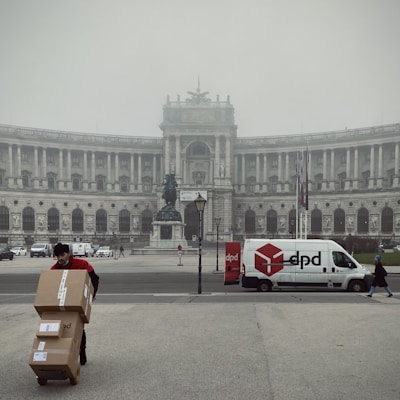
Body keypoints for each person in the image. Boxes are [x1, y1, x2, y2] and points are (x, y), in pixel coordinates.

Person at [51, 243, 100, 365]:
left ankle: (82, 352)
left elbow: (95, 278)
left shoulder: (81, 264)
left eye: (62, 255)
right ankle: (63, 354)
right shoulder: (54, 269)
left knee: (79, 328)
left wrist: (91, 295)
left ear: (68, 254)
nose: (60, 258)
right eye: (57, 256)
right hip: (62, 303)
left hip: (77, 302)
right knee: (62, 328)